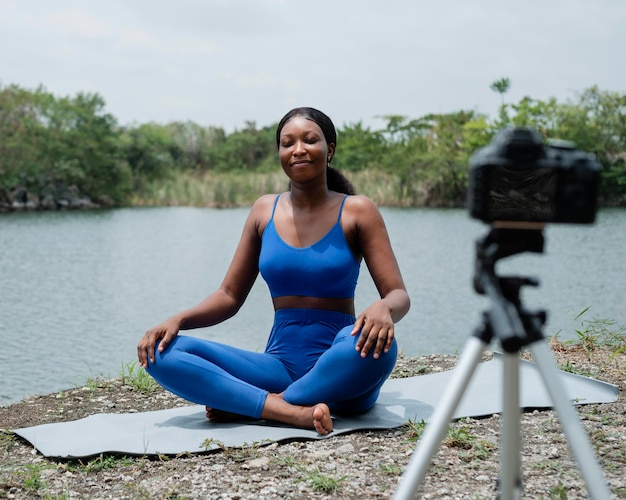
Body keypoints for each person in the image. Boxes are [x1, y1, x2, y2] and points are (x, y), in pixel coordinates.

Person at [137, 107, 410, 435]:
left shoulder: (357, 210)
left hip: (342, 371)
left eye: (310, 140)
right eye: (287, 143)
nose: (298, 149)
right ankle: (289, 411)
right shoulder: (263, 210)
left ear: (330, 150)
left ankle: (260, 404)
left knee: (381, 349)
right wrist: (176, 320)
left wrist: (384, 307)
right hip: (278, 365)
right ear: (280, 153)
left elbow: (398, 295)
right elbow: (228, 296)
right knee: (161, 353)